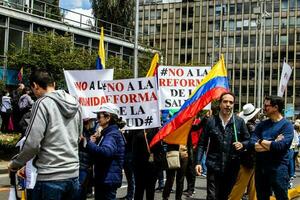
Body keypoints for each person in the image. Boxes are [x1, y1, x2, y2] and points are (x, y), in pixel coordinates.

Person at [8, 69, 83, 200]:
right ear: (53, 83)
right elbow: (78, 137)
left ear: (35, 86)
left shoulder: (42, 103)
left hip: (50, 177)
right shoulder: (76, 104)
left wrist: (16, 163)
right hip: (73, 175)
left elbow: (32, 143)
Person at [195, 92, 250, 200]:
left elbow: (248, 140)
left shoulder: (239, 122)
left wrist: (242, 144)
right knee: (212, 196)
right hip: (213, 165)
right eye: (225, 101)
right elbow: (202, 143)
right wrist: (198, 162)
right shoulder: (210, 121)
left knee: (226, 196)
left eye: (231, 102)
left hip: (232, 167)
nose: (228, 104)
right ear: (220, 104)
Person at [249, 96, 294, 200]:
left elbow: (280, 146)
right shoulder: (262, 125)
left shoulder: (287, 126)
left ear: (275, 107)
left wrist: (260, 141)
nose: (264, 108)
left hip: (278, 170)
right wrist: (272, 143)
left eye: (266, 106)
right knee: (261, 197)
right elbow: (251, 143)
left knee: (281, 197)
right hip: (261, 169)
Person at [85, 103, 126, 200]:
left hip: (107, 179)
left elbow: (106, 152)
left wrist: (90, 143)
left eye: (99, 116)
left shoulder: (111, 134)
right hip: (107, 178)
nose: (97, 120)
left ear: (108, 118)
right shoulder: (109, 133)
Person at [228, 103, 260, 200]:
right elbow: (254, 141)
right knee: (242, 186)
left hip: (248, 158)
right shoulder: (251, 127)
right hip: (249, 159)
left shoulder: (245, 125)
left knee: (251, 185)